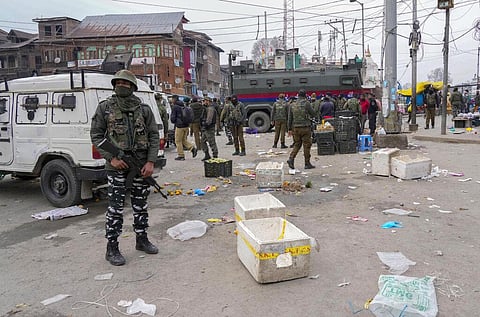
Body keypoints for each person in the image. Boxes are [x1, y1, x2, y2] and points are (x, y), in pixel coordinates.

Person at [90, 69, 159, 266]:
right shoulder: (105, 108)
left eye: (126, 83)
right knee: (115, 208)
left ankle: (142, 239)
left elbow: (153, 136)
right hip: (117, 166)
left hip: (140, 166)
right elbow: (96, 135)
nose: (122, 86)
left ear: (133, 87)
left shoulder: (143, 109)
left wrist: (150, 162)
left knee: (140, 205)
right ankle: (112, 247)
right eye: (119, 83)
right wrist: (111, 158)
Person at [287, 89, 316, 170]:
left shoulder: (292, 104)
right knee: (307, 145)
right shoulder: (306, 103)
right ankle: (307, 163)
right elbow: (313, 113)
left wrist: (289, 129)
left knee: (297, 144)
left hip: (295, 128)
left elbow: (290, 118)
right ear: (305, 95)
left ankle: (291, 158)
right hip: (305, 128)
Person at [170, 95, 197, 161]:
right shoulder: (183, 105)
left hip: (179, 126)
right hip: (186, 125)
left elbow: (173, 118)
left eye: (172, 99)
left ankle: (181, 155)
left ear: (174, 99)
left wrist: (174, 121)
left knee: (178, 141)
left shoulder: (175, 107)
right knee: (183, 140)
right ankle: (192, 148)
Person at [200, 97, 219, 161]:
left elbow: (209, 119)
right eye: (204, 101)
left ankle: (215, 155)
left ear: (209, 101)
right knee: (202, 141)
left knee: (211, 142)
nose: (204, 102)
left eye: (205, 101)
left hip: (209, 127)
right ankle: (207, 154)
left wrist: (206, 124)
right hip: (206, 128)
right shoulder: (206, 108)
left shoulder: (210, 108)